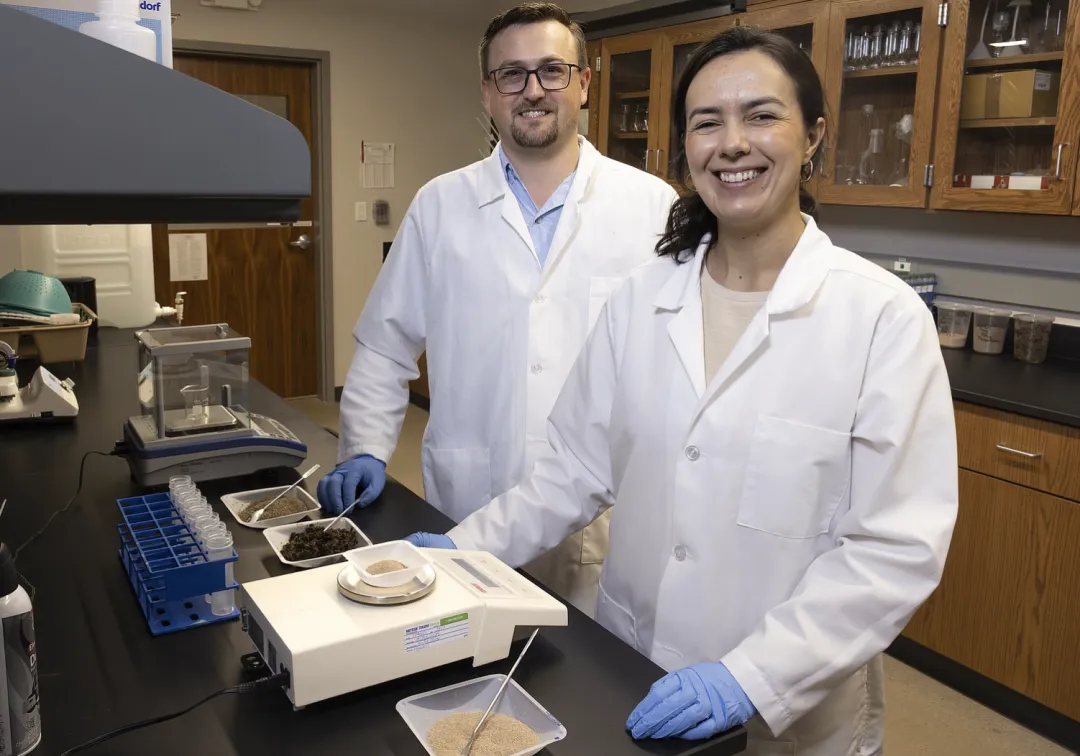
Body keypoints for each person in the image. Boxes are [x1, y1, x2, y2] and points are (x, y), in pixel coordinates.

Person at [406, 27, 958, 755]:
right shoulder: (641, 299)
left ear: (813, 135)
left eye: (761, 115)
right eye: (707, 122)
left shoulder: (880, 318)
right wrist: (461, 549)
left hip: (791, 708)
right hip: (635, 668)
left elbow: (894, 547)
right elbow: (572, 471)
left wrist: (750, 677)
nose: (733, 143)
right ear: (686, 147)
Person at [319, 2, 678, 616]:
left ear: (584, 84)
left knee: (590, 663)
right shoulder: (439, 205)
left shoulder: (651, 207)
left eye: (552, 70)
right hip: (469, 501)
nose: (532, 90)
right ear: (487, 93)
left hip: (600, 518)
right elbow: (385, 343)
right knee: (466, 652)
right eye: (511, 74)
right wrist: (365, 447)